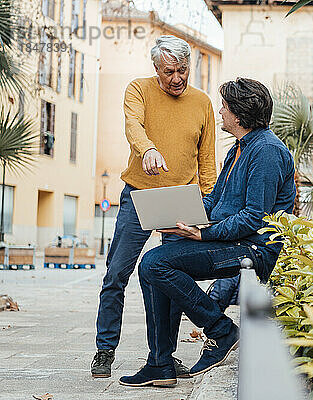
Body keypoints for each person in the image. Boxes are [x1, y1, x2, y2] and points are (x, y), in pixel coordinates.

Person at [118, 78, 295, 387]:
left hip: (253, 248)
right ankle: (160, 364)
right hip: (234, 240)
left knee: (155, 264)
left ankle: (220, 329)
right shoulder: (240, 148)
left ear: (239, 115)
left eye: (224, 107)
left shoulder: (266, 152)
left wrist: (201, 235)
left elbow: (254, 218)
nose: (220, 113)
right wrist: (180, 216)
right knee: (152, 264)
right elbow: (216, 200)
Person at [91, 35, 217, 379]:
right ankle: (105, 349)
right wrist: (147, 148)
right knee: (117, 272)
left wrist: (209, 206)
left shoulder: (203, 102)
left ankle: (163, 357)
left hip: (183, 202)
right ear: (156, 69)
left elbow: (207, 160)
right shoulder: (139, 89)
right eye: (169, 71)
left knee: (172, 278)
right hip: (139, 194)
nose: (176, 78)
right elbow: (134, 125)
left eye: (182, 70)